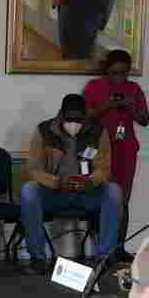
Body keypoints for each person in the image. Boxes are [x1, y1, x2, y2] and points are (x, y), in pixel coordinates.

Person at [19, 93, 122, 270]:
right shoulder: (44, 130)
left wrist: (89, 181)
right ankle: (37, 258)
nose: (73, 123)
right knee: (29, 190)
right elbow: (33, 169)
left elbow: (104, 169)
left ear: (85, 115)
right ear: (60, 114)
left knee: (113, 190)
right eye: (69, 119)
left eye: (78, 119)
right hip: (54, 193)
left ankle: (104, 257)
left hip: (86, 193)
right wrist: (57, 182)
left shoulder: (97, 131)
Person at [81, 48, 149, 212]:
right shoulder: (94, 86)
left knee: (122, 197)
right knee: (96, 193)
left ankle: (119, 238)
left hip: (125, 149)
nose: (119, 77)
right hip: (97, 148)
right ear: (107, 70)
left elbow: (145, 120)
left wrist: (131, 107)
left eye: (124, 73)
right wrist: (107, 105)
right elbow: (83, 116)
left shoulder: (134, 88)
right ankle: (100, 236)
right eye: (114, 73)